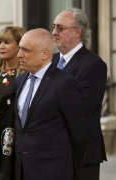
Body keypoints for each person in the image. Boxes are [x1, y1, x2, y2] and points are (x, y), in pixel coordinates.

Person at [15, 28, 89, 180]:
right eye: (19, 49)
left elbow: (79, 131)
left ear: (45, 54)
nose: (19, 55)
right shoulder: (20, 80)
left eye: (26, 50)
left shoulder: (65, 83)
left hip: (53, 171)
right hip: (22, 169)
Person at [51, 8, 107, 180]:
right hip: (51, 152)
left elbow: (82, 111)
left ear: (77, 32)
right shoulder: (49, 61)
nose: (54, 32)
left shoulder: (93, 65)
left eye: (60, 28)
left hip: (80, 155)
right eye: (53, 27)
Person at [0, 26, 25, 180]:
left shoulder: (25, 76)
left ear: (20, 45)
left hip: (13, 143)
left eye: (7, 42)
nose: (1, 46)